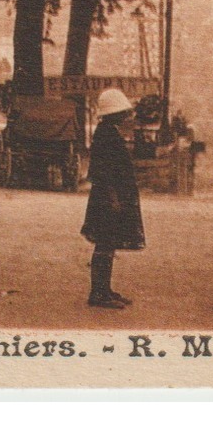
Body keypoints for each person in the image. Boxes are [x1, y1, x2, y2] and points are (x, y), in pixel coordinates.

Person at [81, 87, 144, 309]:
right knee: (104, 244)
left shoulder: (108, 132)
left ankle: (104, 289)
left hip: (111, 194)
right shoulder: (106, 134)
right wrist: (114, 198)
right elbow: (103, 172)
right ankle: (98, 293)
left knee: (108, 243)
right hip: (108, 196)